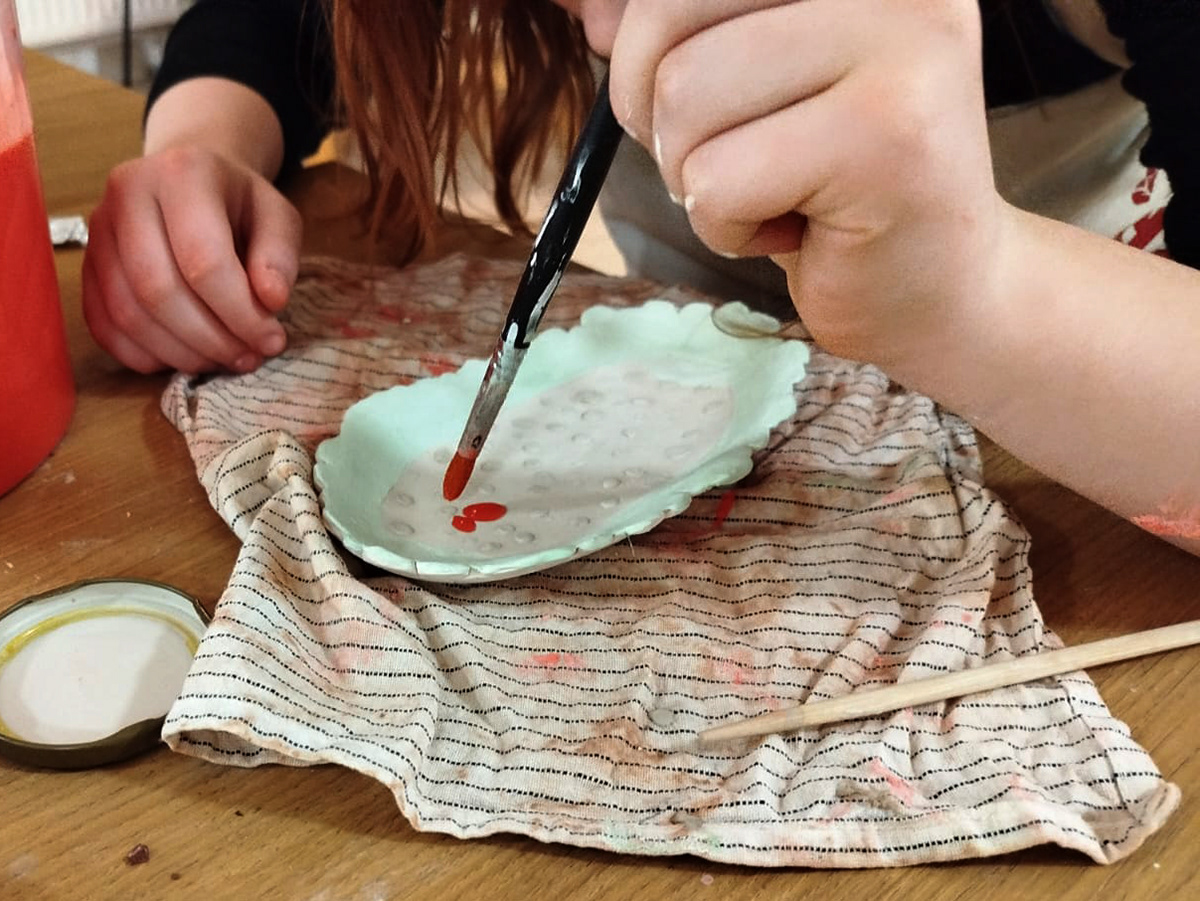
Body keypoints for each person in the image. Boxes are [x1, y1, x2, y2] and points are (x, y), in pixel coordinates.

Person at [80, 0, 1200, 556]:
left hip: (1072, 418)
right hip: (701, 377)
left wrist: (973, 287)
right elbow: (266, 24)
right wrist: (204, 154)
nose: (611, 27)